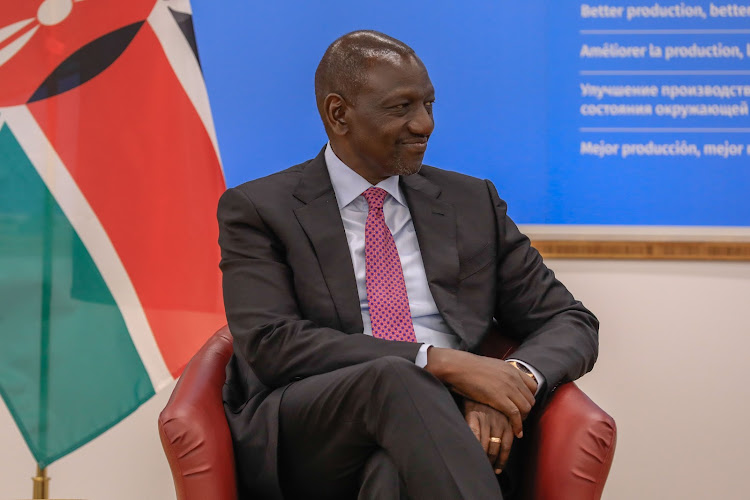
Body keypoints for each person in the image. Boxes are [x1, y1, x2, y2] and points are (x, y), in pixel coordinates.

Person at [218, 30, 598, 500]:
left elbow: (570, 319)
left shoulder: (469, 202)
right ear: (339, 114)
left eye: (430, 105)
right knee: (398, 376)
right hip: (313, 428)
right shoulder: (259, 209)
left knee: (391, 477)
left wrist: (507, 383)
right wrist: (439, 363)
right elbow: (272, 343)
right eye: (401, 108)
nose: (425, 125)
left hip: (445, 427)